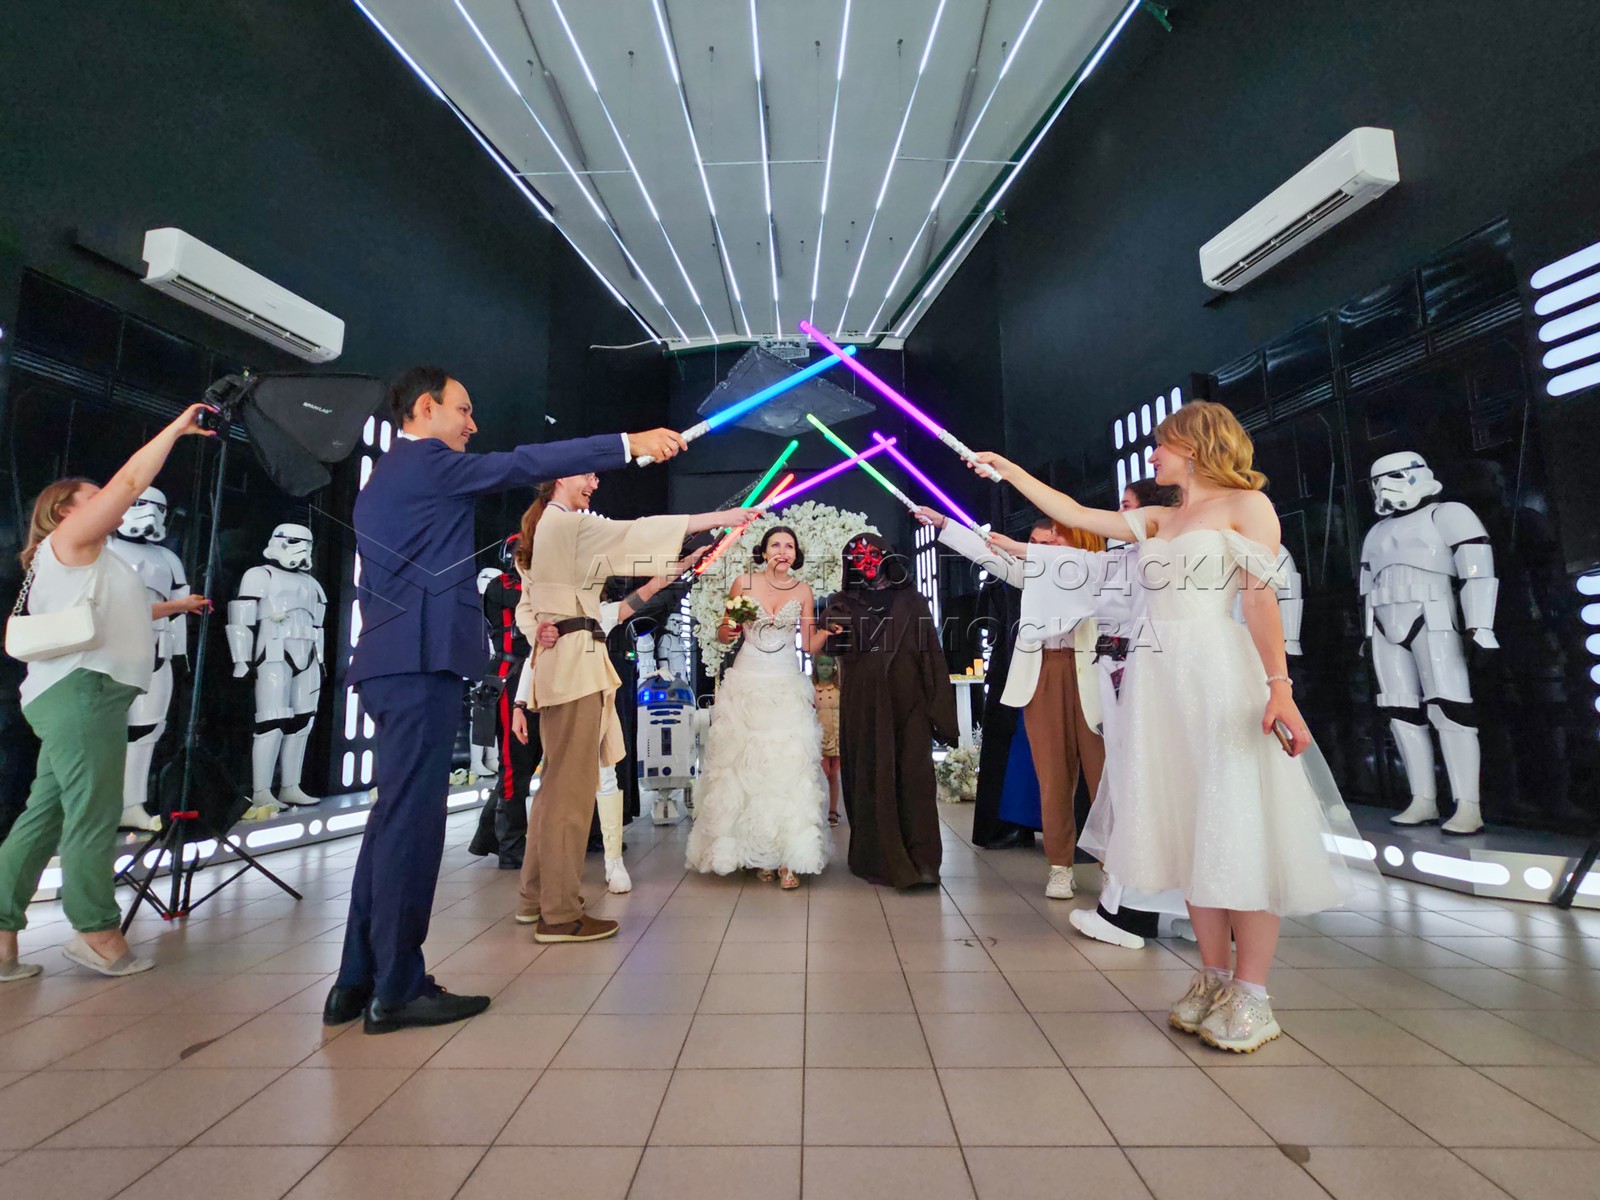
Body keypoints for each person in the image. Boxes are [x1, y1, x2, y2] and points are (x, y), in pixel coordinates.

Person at [970, 401, 1357, 1053]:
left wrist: (1280, 688)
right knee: (1187, 826)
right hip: (1159, 682)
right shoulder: (1158, 518)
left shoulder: (1247, 506)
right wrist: (1007, 470)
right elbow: (1074, 514)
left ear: (1195, 445)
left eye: (1163, 444)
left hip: (1219, 673)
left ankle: (1252, 992)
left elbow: (1260, 597)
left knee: (1237, 822)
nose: (1153, 454)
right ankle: (1212, 976)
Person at [326, 365, 686, 1034]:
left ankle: (356, 979)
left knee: (390, 822)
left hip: (386, 663)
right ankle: (398, 987)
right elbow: (523, 463)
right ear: (426, 409)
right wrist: (629, 443)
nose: (472, 424)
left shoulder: (383, 480)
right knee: (412, 826)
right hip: (419, 663)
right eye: (463, 410)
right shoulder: (427, 463)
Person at [1, 404, 215, 982]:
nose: (111, 505)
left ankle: (1, 936)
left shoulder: (86, 558)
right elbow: (130, 481)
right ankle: (94, 932)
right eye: (93, 498)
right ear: (64, 510)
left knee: (45, 814)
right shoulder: (73, 538)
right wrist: (176, 429)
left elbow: (122, 613)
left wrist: (177, 606)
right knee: (94, 811)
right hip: (84, 690)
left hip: (73, 692)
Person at [515, 472, 751, 943]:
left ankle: (535, 897)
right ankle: (558, 914)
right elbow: (635, 533)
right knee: (569, 794)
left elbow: (600, 605)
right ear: (560, 476)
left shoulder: (549, 535)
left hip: (569, 663)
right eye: (587, 473)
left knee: (555, 789)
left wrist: (675, 568)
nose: (594, 483)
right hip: (575, 669)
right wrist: (722, 517)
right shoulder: (566, 524)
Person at [917, 509, 1106, 900]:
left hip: (1093, 674)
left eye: (1053, 540)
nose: (1042, 549)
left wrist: (1024, 549)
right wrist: (945, 525)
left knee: (1104, 779)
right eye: (1038, 543)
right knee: (1053, 777)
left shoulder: (1098, 569)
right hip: (1043, 674)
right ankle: (1060, 867)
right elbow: (989, 556)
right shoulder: (1031, 574)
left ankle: (1115, 870)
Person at [516, 546, 706, 895]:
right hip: (560, 706)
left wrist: (684, 566)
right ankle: (548, 872)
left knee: (606, 778)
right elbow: (535, 656)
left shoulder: (600, 614)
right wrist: (519, 704)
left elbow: (648, 591)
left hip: (597, 702)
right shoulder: (549, 620)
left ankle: (613, 862)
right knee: (558, 785)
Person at [687, 526, 833, 889]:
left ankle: (786, 859)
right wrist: (729, 631)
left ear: (796, 554)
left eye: (789, 546)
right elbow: (724, 632)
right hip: (747, 680)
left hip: (785, 682)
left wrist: (830, 632)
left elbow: (809, 644)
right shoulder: (744, 583)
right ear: (764, 552)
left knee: (786, 768)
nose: (782, 550)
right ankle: (755, 853)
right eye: (775, 545)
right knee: (743, 766)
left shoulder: (803, 590)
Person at [825, 533, 959, 889]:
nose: (867, 563)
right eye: (858, 558)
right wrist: (834, 630)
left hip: (909, 701)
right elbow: (837, 650)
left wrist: (940, 709)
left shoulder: (911, 600)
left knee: (915, 778)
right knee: (871, 775)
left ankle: (923, 860)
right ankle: (877, 858)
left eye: (872, 554)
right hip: (864, 706)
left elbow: (931, 653)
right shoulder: (842, 602)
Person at [468, 535, 536, 870]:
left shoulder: (532, 584)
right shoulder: (503, 585)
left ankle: (491, 838)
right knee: (513, 764)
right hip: (511, 677)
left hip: (534, 674)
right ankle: (510, 846)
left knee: (525, 763)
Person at [813, 654, 842, 827]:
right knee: (823, 772)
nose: (825, 668)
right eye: (821, 665)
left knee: (833, 774)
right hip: (821, 737)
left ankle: (833, 809)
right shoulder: (813, 690)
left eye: (828, 665)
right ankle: (819, 809)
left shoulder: (838, 689)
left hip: (836, 736)